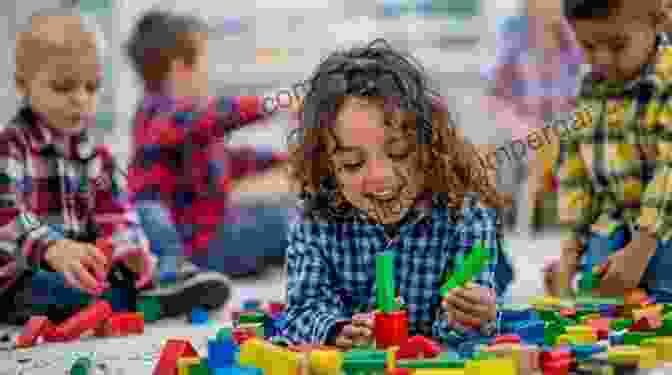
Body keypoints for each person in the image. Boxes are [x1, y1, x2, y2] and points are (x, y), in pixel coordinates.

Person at [280, 39, 513, 349]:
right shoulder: (314, 220)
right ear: (327, 167)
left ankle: (503, 270)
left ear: (429, 146)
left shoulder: (465, 215)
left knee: (500, 281)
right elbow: (302, 311)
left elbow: (463, 336)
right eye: (352, 164)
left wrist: (471, 316)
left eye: (400, 153)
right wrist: (337, 331)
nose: (380, 178)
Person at [0, 9, 160, 324]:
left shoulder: (98, 156)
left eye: (91, 87)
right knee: (60, 282)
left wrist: (127, 250)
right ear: (24, 84)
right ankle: (143, 295)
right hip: (21, 278)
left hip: (84, 268)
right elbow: (5, 213)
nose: (80, 99)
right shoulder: (12, 146)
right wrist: (52, 246)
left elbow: (113, 211)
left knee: (152, 218)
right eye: (63, 87)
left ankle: (143, 286)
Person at [124, 9, 291, 289]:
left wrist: (282, 160)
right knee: (289, 224)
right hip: (197, 247)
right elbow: (215, 116)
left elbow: (228, 160)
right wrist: (276, 102)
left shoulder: (187, 125)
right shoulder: (157, 116)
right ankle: (176, 273)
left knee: (282, 214)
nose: (208, 73)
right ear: (180, 68)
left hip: (214, 232)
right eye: (204, 63)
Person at [544, 0, 672, 300]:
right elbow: (576, 175)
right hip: (615, 219)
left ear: (659, 20)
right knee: (594, 291)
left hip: (664, 221)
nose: (601, 60)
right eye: (588, 47)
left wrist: (641, 247)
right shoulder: (588, 90)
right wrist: (570, 252)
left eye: (617, 46)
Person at [481, 0, 583, 234]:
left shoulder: (572, 36)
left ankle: (536, 211)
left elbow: (579, 88)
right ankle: (512, 215)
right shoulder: (513, 33)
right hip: (518, 118)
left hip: (561, 121)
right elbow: (495, 92)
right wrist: (524, 123)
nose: (554, 6)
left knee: (556, 138)